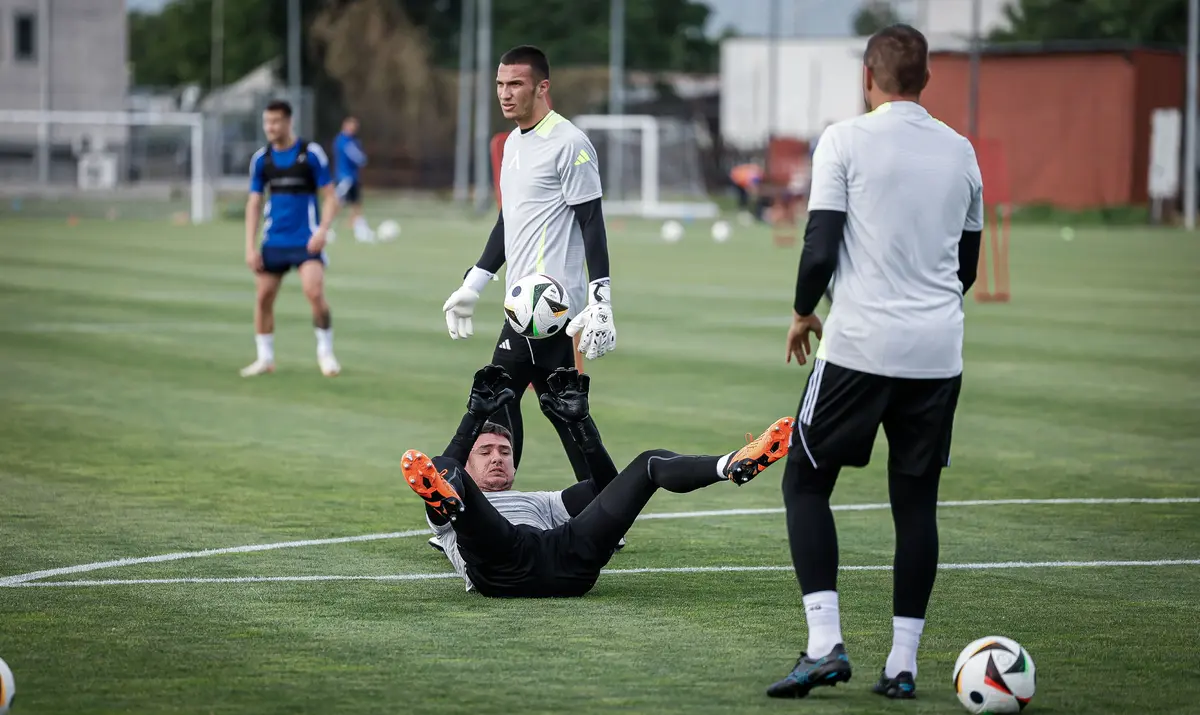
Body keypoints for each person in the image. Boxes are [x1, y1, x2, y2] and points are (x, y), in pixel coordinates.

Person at [767, 24, 983, 700]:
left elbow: (820, 245)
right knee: (916, 505)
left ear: (868, 77)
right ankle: (903, 664)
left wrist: (803, 311)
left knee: (805, 482)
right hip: (938, 352)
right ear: (926, 79)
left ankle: (824, 645)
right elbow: (967, 268)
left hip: (859, 345)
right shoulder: (961, 151)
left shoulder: (844, 140)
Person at [402, 364, 795, 598]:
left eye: (505, 451)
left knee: (647, 463)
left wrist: (582, 425)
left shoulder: (544, 502)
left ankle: (731, 463)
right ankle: (448, 495)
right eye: (485, 452)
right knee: (443, 468)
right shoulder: (448, 513)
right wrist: (474, 417)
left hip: (568, 563)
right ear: (469, 462)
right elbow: (449, 464)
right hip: (499, 563)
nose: (497, 458)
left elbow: (607, 490)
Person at [440, 45, 613, 480]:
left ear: (541, 87)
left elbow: (592, 221)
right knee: (555, 412)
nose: (505, 93)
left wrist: (602, 299)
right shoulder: (514, 144)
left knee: (496, 403)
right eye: (500, 84)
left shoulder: (569, 143)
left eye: (515, 83)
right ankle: (609, 502)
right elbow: (509, 221)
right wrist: (474, 283)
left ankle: (457, 496)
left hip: (551, 308)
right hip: (523, 307)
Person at [242, 99, 342, 378]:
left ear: (289, 122)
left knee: (314, 292)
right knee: (263, 297)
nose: (270, 127)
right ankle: (265, 358)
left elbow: (331, 197)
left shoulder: (310, 154)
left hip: (306, 241)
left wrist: (322, 230)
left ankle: (325, 352)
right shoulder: (261, 160)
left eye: (276, 121)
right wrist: (250, 247)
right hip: (274, 241)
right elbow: (254, 203)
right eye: (267, 122)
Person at [333, 116, 374, 243]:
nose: (353, 129)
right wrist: (361, 159)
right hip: (345, 178)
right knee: (337, 202)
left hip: (353, 177)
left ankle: (358, 228)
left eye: (355, 127)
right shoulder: (342, 140)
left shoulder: (353, 141)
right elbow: (357, 157)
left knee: (356, 203)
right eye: (351, 126)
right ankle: (326, 227)